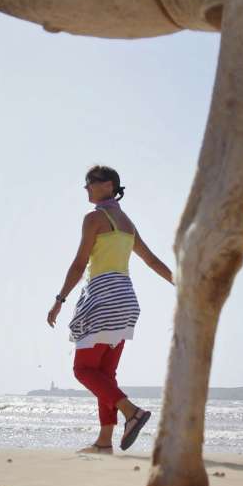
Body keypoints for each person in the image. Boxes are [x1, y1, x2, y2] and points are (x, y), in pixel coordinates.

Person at [46, 165, 173, 454]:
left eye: (90, 182)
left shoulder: (94, 219)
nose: (86, 188)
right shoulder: (127, 222)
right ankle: (104, 442)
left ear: (108, 185)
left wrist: (59, 299)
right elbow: (151, 261)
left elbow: (79, 265)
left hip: (103, 298)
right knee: (105, 374)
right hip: (126, 301)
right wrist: (180, 281)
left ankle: (132, 412)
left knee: (82, 370)